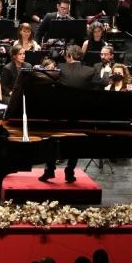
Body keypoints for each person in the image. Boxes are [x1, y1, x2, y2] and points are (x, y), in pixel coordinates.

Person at [39, 45, 106, 183]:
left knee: (52, 140)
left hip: (59, 113)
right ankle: (69, 172)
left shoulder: (61, 68)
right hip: (78, 114)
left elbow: (46, 80)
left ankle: (49, 170)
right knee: (74, 142)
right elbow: (103, 83)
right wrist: (106, 73)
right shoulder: (89, 70)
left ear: (69, 57)